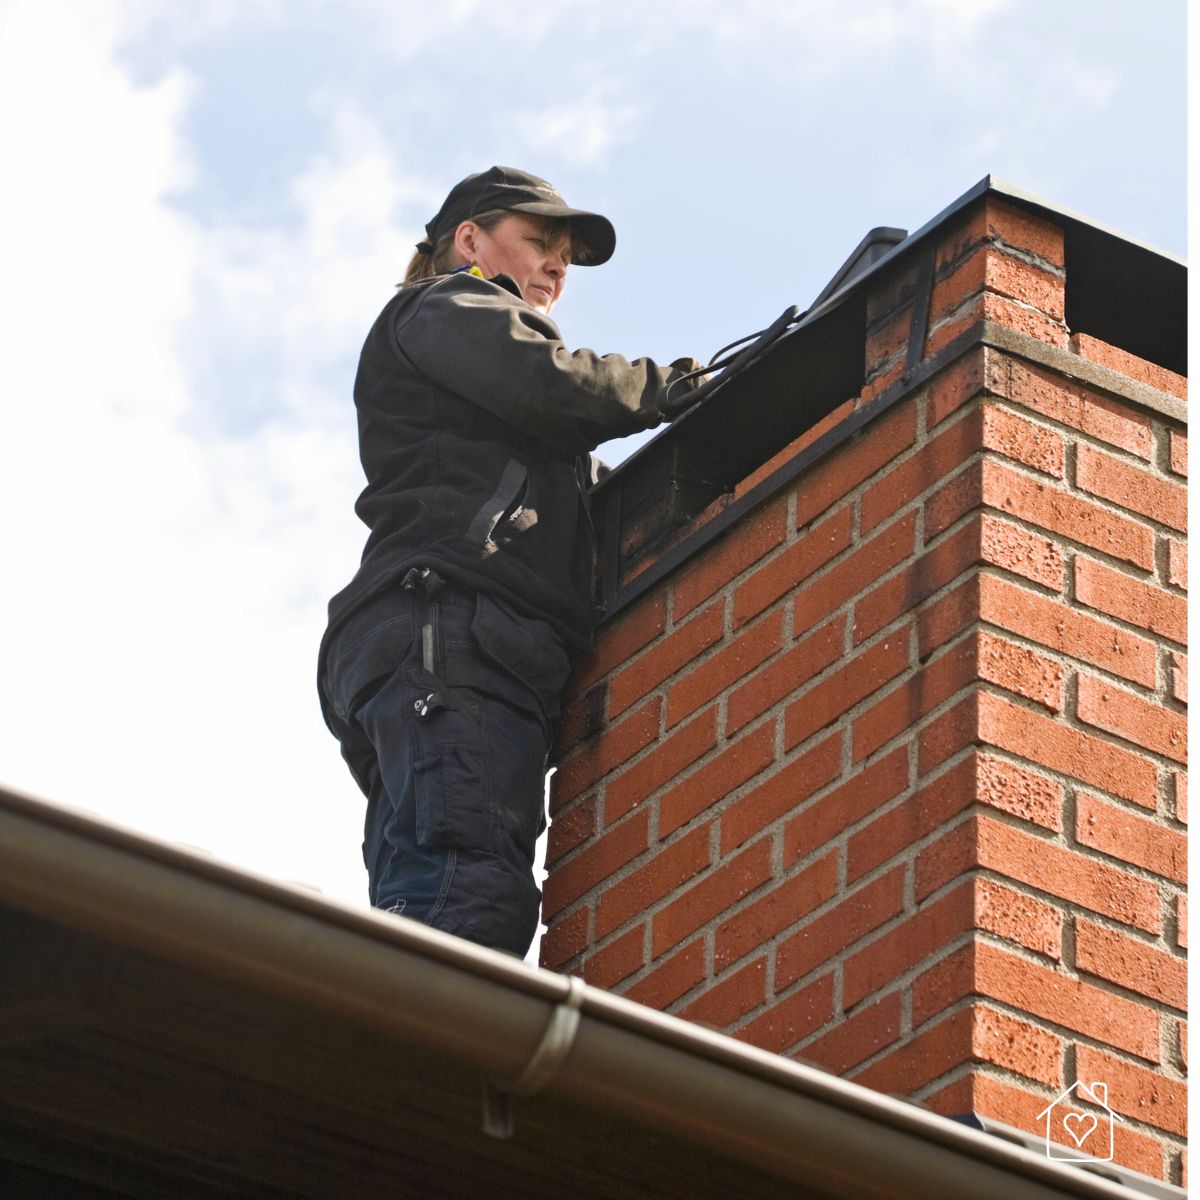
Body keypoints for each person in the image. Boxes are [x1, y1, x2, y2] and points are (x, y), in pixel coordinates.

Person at [317, 166, 700, 958]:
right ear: (469, 241)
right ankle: (418, 1071)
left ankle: (394, 1057)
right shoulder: (449, 305)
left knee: (427, 892)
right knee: (463, 897)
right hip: (450, 625)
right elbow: (552, 382)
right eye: (540, 243)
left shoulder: (496, 403)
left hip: (430, 638)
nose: (558, 267)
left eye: (567, 257)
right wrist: (677, 388)